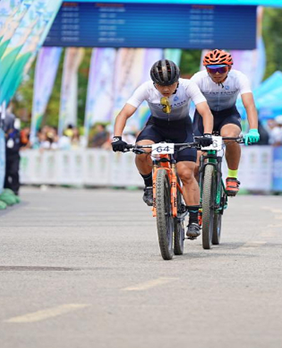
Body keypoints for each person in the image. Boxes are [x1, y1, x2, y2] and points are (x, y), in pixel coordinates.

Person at [111, 60, 214, 240]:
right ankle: (149, 186)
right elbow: (124, 113)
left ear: (177, 81)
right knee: (141, 151)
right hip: (156, 128)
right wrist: (117, 137)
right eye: (160, 85)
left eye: (170, 84)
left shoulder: (188, 86)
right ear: (154, 83)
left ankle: (193, 219)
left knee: (186, 173)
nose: (165, 89)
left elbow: (205, 111)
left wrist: (207, 134)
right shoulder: (146, 88)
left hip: (182, 130)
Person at [190, 49, 260, 195]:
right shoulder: (198, 79)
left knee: (230, 137)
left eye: (221, 69)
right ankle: (197, 193)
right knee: (196, 163)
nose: (217, 73)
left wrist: (253, 129)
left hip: (227, 115)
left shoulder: (239, 77)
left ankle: (232, 177)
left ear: (229, 68)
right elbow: (184, 103)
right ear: (206, 69)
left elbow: (249, 105)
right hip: (204, 116)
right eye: (212, 70)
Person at [4, 118, 22, 195]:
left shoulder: (18, 134)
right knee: (6, 172)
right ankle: (7, 188)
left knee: (14, 171)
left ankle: (15, 189)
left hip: (15, 155)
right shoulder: (5, 133)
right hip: (6, 155)